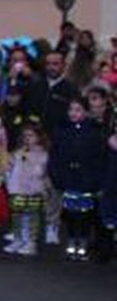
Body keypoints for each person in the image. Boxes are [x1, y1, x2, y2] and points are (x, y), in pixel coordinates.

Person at [50, 96, 106, 260]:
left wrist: (97, 180)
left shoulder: (94, 130)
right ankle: (72, 240)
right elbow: (56, 155)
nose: (73, 113)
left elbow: (99, 158)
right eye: (71, 110)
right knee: (70, 212)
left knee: (85, 214)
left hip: (87, 179)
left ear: (86, 112)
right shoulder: (62, 130)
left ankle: (83, 242)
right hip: (68, 178)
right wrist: (57, 175)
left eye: (78, 110)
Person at [3, 123, 49, 256]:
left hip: (34, 190)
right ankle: (18, 239)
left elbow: (41, 172)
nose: (27, 138)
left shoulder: (42, 154)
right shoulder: (19, 152)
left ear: (38, 137)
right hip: (17, 188)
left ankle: (30, 241)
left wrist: (34, 166)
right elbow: (10, 165)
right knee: (17, 214)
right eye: (25, 136)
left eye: (31, 135)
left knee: (32, 216)